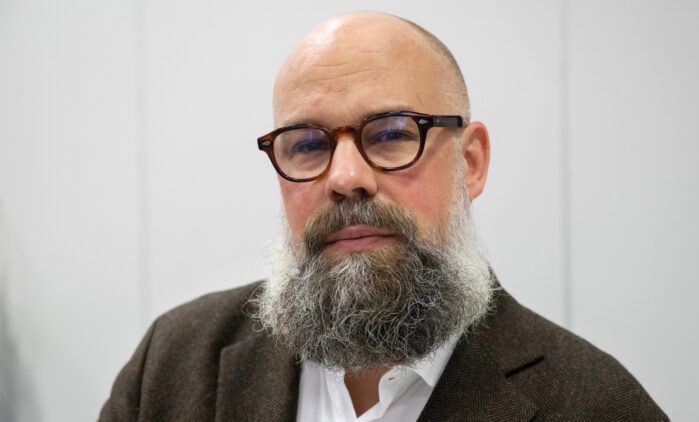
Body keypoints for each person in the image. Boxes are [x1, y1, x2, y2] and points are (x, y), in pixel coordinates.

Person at [100, 12, 667, 421]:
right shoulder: (173, 367)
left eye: (393, 134)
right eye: (308, 145)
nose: (346, 178)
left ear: (470, 164)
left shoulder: (595, 405)